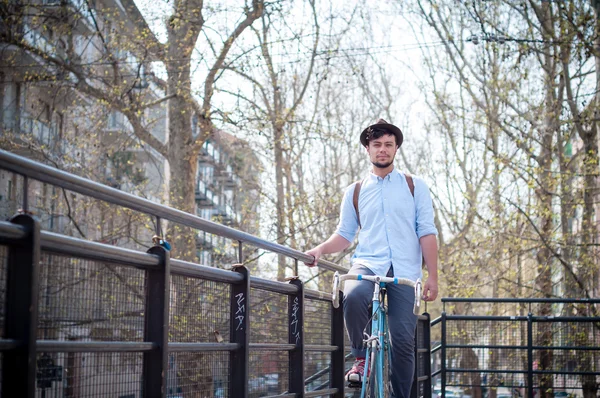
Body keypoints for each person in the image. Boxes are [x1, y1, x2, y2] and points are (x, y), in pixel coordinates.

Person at [305, 118, 439, 398]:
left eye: (388, 145)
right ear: (367, 149)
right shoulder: (354, 191)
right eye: (377, 144)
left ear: (396, 149)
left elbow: (426, 232)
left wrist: (433, 277)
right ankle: (361, 357)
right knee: (352, 295)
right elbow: (344, 234)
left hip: (404, 269)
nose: (382, 149)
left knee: (402, 342)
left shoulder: (416, 186)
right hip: (367, 262)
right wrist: (319, 249)